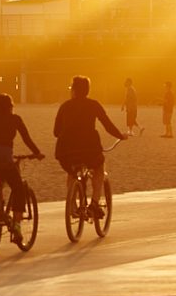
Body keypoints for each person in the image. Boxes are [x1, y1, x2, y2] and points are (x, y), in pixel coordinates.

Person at [54, 75, 127, 219]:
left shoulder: (65, 106)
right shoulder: (94, 105)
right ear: (87, 90)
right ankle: (94, 203)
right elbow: (107, 125)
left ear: (73, 90)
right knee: (99, 168)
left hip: (66, 152)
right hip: (89, 149)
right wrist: (120, 135)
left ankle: (72, 205)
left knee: (72, 171)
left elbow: (56, 132)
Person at [0, 93, 44, 241]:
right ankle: (17, 226)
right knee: (18, 188)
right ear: (10, 107)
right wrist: (37, 153)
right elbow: (26, 139)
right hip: (4, 160)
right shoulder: (15, 119)